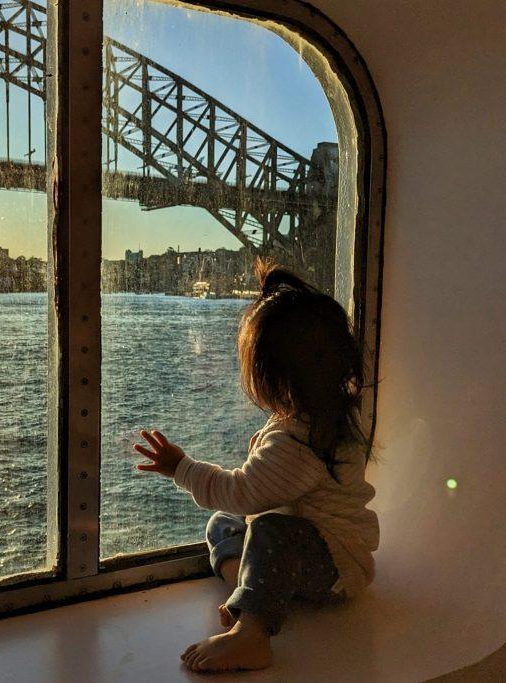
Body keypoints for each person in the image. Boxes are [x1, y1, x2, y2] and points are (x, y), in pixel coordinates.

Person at [133, 260, 379, 673]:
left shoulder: (300, 442)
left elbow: (242, 492)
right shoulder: (317, 420)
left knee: (266, 529)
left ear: (277, 379)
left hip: (337, 566)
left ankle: (253, 635)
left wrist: (181, 467)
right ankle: (257, 595)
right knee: (224, 524)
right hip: (309, 553)